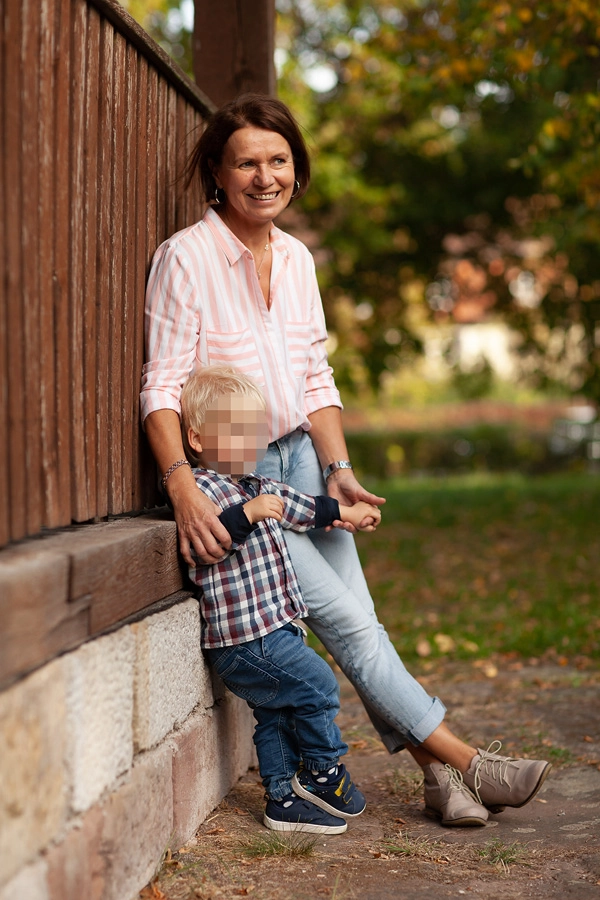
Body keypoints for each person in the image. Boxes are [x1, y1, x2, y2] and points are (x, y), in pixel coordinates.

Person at [140, 93, 551, 828]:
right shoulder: (186, 258)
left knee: (359, 617)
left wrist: (338, 467)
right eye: (246, 163)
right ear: (217, 172)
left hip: (304, 458)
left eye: (278, 161)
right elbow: (162, 386)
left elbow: (313, 378)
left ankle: (438, 777)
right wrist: (181, 486)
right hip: (242, 478)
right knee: (345, 623)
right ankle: (467, 762)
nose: (263, 177)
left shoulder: (296, 258)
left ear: (296, 172)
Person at [180, 364, 379, 834]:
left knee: (277, 711)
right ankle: (323, 772)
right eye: (235, 431)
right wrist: (245, 515)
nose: (250, 443)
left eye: (255, 432)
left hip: (273, 630)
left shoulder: (261, 486)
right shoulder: (201, 493)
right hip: (245, 641)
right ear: (197, 438)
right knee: (317, 684)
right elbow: (205, 545)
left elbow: (306, 508)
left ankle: (284, 800)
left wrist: (347, 513)